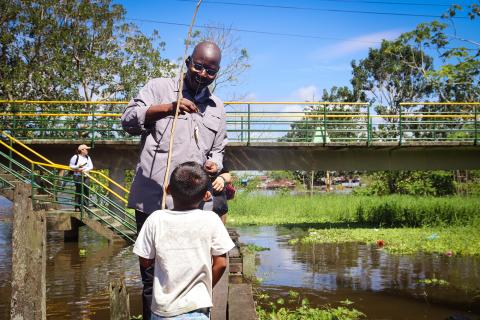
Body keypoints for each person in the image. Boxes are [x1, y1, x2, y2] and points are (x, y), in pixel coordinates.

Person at [121, 41, 226, 319]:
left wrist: (216, 163)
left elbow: (218, 148)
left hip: (195, 209)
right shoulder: (158, 87)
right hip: (154, 203)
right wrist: (167, 108)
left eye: (211, 70)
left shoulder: (217, 107)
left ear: (217, 72)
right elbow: (128, 120)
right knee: (151, 277)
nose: (203, 74)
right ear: (188, 61)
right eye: (198, 66)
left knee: (195, 272)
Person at [133, 162, 234, 320]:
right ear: (207, 195)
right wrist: (205, 287)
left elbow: (145, 261)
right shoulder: (211, 219)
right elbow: (221, 263)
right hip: (198, 308)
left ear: (167, 190)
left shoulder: (155, 219)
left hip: (163, 310)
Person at [69, 144, 93, 211]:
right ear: (82, 150)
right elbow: (71, 166)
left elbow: (91, 166)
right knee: (79, 190)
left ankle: (86, 206)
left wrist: (85, 169)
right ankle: (77, 206)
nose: (87, 150)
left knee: (86, 190)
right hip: (77, 176)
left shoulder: (88, 157)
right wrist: (78, 167)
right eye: (86, 149)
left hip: (86, 175)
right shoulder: (75, 157)